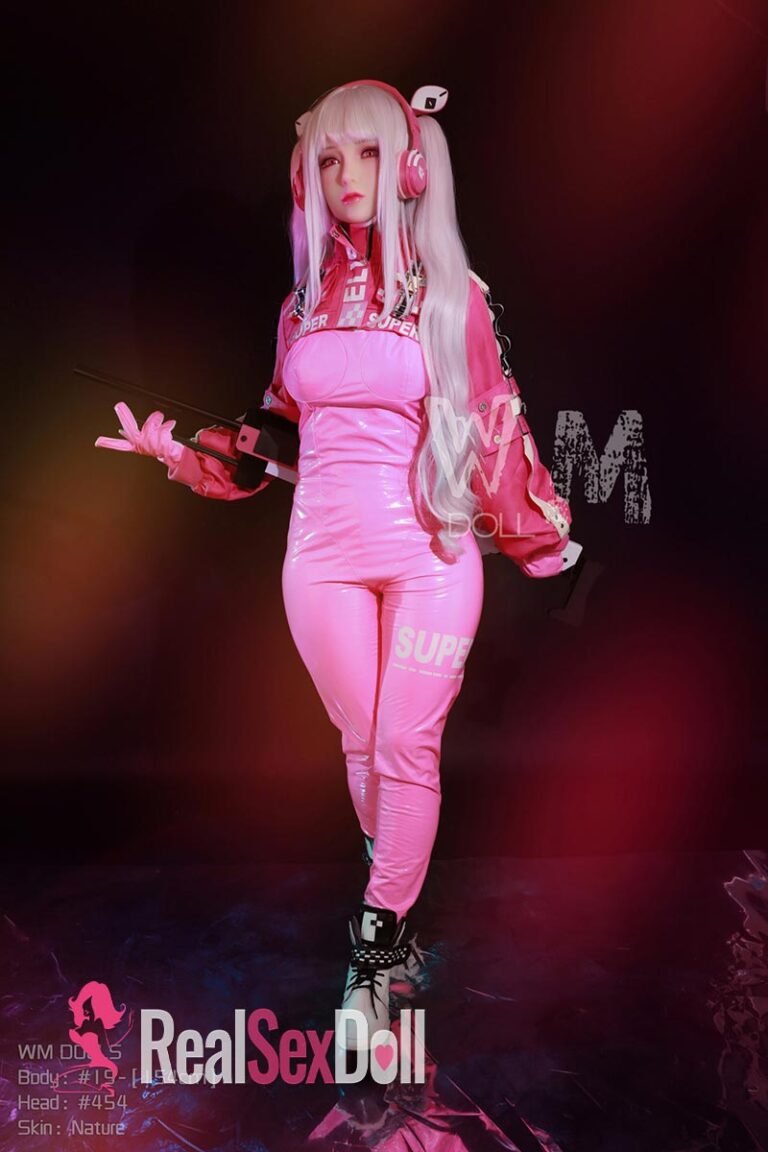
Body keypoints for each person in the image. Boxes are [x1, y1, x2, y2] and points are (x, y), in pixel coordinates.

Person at [96, 80, 577, 1053]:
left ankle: (375, 947)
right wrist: (180, 455)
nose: (346, 175)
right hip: (318, 560)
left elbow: (494, 423)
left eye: (366, 153)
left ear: (408, 167)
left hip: (432, 555)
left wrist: (538, 541)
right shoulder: (300, 308)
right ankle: (392, 908)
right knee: (362, 749)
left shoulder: (451, 296)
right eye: (328, 158)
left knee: (404, 748)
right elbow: (272, 438)